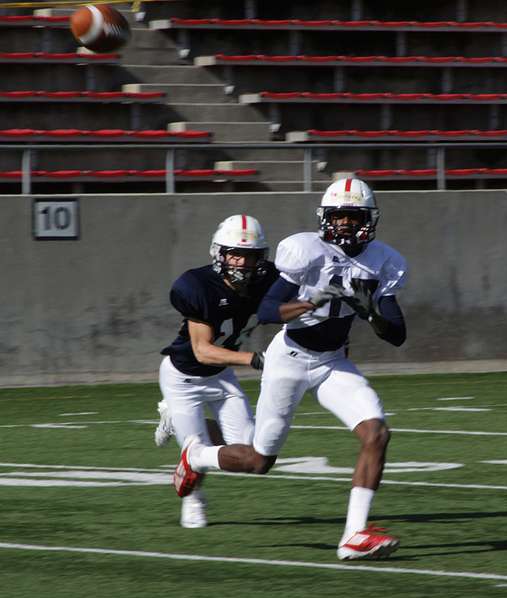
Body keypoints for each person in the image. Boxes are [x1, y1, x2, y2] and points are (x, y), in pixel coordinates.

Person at [172, 177, 407, 560]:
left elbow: (395, 334)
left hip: (333, 362)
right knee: (259, 460)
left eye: (353, 216)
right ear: (326, 218)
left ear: (369, 219)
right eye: (339, 216)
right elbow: (267, 312)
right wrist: (313, 300)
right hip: (290, 359)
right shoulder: (305, 250)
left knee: (377, 433)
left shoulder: (385, 260)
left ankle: (354, 535)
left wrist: (372, 313)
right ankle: (197, 455)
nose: (345, 224)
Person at [155, 214, 278, 528]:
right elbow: (203, 351)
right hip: (183, 377)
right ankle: (193, 500)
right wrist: (255, 359)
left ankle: (182, 426)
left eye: (250, 256)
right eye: (235, 254)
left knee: (251, 454)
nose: (242, 263)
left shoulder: (268, 281)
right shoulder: (197, 286)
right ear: (219, 254)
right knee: (195, 450)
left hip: (221, 376)